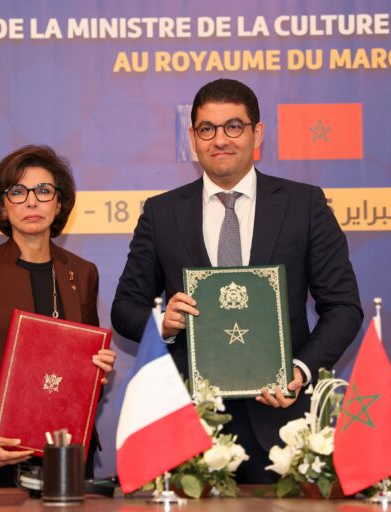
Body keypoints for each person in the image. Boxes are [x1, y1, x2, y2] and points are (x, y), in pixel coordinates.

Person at [111, 79, 362, 483]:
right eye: (207, 129)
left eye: (233, 126)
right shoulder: (162, 213)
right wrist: (163, 324)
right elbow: (125, 309)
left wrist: (299, 370)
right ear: (193, 138)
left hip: (283, 427)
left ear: (257, 133)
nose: (220, 139)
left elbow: (344, 307)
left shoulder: (304, 204)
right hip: (189, 426)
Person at [0, 145, 116, 488]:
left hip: (67, 453)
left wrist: (95, 371)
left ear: (59, 203)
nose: (32, 202)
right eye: (18, 192)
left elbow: (82, 369)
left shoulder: (82, 273)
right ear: (3, 206)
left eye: (43, 191)